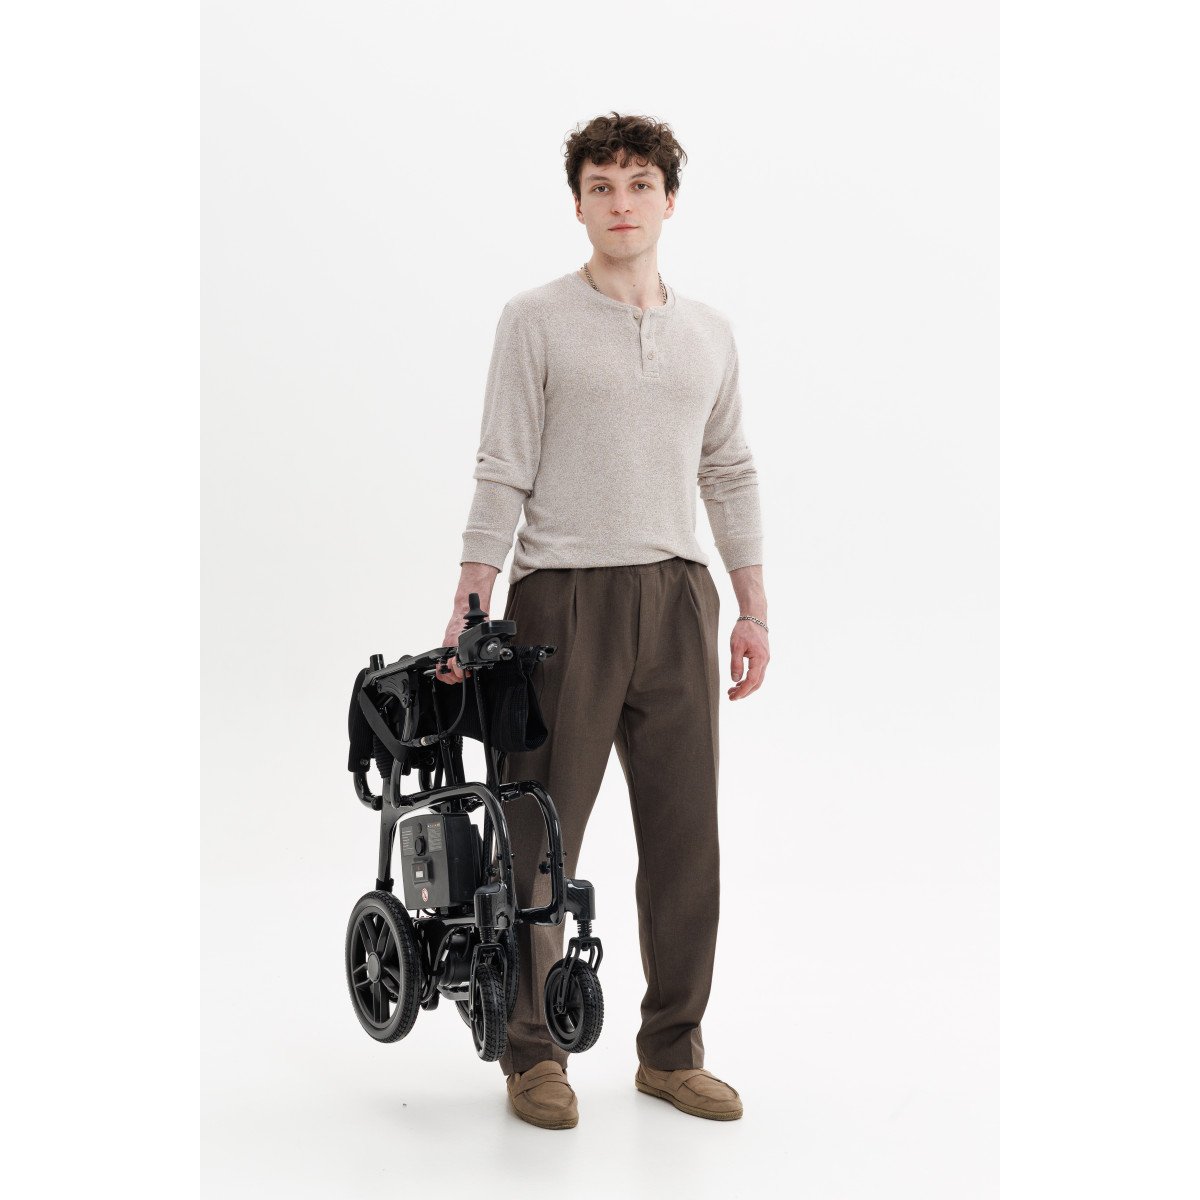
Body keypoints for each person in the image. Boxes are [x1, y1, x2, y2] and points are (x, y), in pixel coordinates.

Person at [439, 111, 769, 1129]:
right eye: (601, 186)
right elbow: (503, 464)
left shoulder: (709, 332)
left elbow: (729, 468)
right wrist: (470, 603)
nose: (621, 203)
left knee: (686, 842)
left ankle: (671, 1052)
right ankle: (532, 1053)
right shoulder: (535, 320)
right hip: (562, 599)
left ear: (670, 200)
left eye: (639, 184)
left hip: (678, 598)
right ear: (577, 204)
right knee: (538, 837)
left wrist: (751, 606)